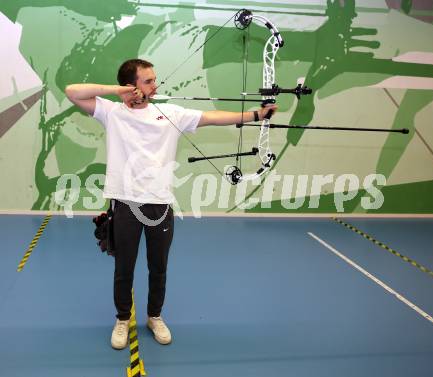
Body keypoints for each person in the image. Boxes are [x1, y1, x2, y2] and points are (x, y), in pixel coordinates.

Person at [65, 58, 277, 350]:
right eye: (148, 81)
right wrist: (117, 91)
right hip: (125, 204)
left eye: (155, 79)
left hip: (160, 205)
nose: (156, 85)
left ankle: (155, 316)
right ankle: (122, 319)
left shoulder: (171, 113)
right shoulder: (112, 113)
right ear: (132, 85)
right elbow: (72, 91)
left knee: (158, 267)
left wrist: (256, 114)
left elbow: (214, 117)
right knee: (124, 267)